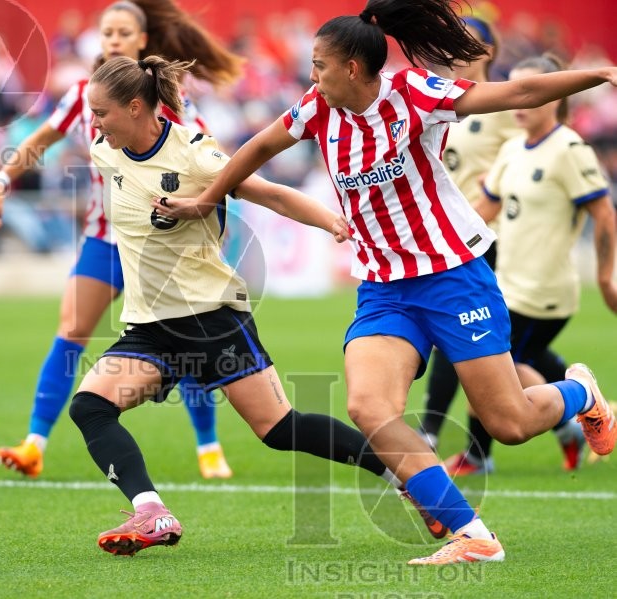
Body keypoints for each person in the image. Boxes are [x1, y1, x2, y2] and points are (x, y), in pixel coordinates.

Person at [161, 0, 617, 565]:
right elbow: (255, 149)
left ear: (353, 67)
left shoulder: (414, 93)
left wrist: (600, 74)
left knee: (509, 422)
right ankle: (472, 534)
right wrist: (206, 199)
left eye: (320, 66)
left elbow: (516, 95)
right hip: (384, 288)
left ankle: (582, 393)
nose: (312, 77)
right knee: (370, 407)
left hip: (453, 277)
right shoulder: (316, 110)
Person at [70, 54, 445, 558]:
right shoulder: (105, 151)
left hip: (211, 318)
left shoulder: (196, 156)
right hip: (150, 326)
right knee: (91, 406)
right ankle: (151, 511)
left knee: (279, 429)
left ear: (137, 106)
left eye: (101, 113)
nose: (94, 124)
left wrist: (331, 222)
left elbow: (269, 194)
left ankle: (405, 471)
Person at [0, 0, 244, 479]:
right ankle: (34, 444)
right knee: (70, 329)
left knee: (184, 340)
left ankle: (208, 447)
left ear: (143, 41)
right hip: (104, 241)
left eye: (124, 32)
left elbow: (212, 166)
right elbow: (40, 140)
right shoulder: (83, 94)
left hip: (165, 245)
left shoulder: (170, 98)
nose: (114, 40)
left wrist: (209, 225)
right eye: (107, 32)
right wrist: (2, 180)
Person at [415, 17, 586, 475]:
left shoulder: (506, 114)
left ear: (488, 51)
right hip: (445, 236)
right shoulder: (437, 102)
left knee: (467, 342)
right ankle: (570, 408)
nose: (453, 51)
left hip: (483, 244)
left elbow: (525, 169)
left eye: (465, 44)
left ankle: (440, 434)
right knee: (507, 351)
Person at [442, 53, 616, 475]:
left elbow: (604, 214)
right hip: (507, 282)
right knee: (519, 360)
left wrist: (606, 274)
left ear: (555, 97)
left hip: (544, 290)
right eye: (516, 92)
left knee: (488, 363)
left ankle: (480, 456)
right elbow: (486, 206)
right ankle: (579, 411)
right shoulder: (512, 148)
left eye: (531, 92)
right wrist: (443, 242)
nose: (519, 103)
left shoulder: (569, 149)